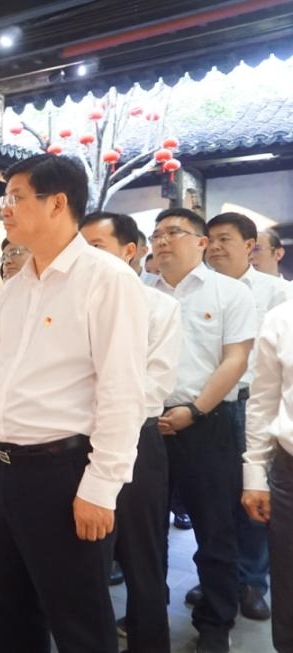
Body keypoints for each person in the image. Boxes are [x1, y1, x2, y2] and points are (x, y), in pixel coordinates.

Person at [0, 154, 147, 653]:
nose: (4, 209)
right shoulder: (16, 285)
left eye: (16, 198)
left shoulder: (107, 279)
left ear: (58, 203)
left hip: (62, 472)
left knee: (78, 618)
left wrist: (102, 487)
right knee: (10, 609)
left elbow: (123, 390)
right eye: (5, 199)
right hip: (0, 469)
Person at [150, 207, 257, 653]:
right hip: (149, 424)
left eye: (173, 231)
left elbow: (236, 359)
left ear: (200, 242)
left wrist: (194, 410)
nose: (162, 240)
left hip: (208, 423)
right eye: (156, 233)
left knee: (215, 530)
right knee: (147, 531)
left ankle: (215, 621)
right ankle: (147, 613)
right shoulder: (140, 294)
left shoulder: (229, 292)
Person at [80, 211, 181, 653]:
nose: (84, 256)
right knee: (86, 557)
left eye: (96, 247)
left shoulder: (159, 306)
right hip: (78, 443)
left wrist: (107, 412)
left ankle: (149, 641)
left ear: (130, 251)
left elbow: (155, 383)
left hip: (137, 439)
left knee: (142, 556)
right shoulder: (71, 302)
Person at [201, 211, 292, 620]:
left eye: (224, 239)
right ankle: (218, 577)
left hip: (254, 402)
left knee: (255, 495)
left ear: (249, 245)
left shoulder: (277, 293)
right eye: (210, 240)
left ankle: (252, 580)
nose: (215, 247)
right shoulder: (200, 290)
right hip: (210, 405)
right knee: (215, 498)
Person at [243, 300, 293, 653]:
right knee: (289, 589)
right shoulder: (282, 318)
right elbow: (263, 401)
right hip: (290, 473)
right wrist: (255, 473)